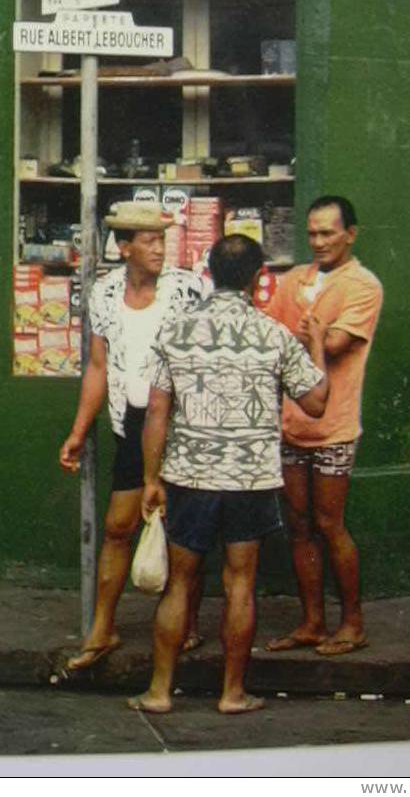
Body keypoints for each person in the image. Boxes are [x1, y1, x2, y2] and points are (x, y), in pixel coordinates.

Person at [128, 234, 328, 715]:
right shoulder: (273, 334)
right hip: (250, 481)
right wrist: (317, 345)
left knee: (180, 583)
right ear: (259, 277)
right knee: (240, 583)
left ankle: (158, 692)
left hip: (190, 477)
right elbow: (317, 403)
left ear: (210, 273)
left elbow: (157, 411)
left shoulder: (175, 331)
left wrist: (152, 478)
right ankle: (232, 693)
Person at [59, 201, 204, 672]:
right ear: (124, 248)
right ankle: (103, 626)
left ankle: (187, 622)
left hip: (181, 424)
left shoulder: (187, 289)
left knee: (182, 530)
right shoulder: (103, 293)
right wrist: (80, 430)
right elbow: (98, 367)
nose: (159, 249)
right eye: (148, 241)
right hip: (132, 422)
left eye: (162, 239)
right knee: (119, 526)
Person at [263, 195, 383, 656]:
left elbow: (329, 347)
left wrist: (309, 336)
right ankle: (312, 622)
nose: (319, 242)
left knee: (330, 522)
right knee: (298, 525)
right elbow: (271, 335)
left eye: (328, 233)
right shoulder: (295, 279)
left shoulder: (364, 286)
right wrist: (306, 336)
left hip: (334, 426)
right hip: (291, 424)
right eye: (312, 233)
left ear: (350, 234)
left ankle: (352, 623)